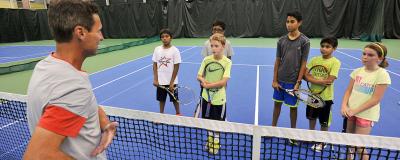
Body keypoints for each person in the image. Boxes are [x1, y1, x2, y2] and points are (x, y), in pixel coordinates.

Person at [24, 0, 117, 159]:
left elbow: (83, 103)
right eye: (99, 31)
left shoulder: (46, 67)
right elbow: (38, 155)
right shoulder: (72, 87)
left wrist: (105, 123)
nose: (101, 37)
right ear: (81, 32)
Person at [341, 43, 390, 160]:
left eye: (370, 55)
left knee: (359, 146)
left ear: (380, 58)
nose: (365, 57)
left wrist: (355, 111)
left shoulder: (382, 74)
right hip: (350, 111)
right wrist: (344, 106)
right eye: (364, 54)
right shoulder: (357, 71)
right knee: (349, 141)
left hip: (366, 115)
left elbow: (375, 99)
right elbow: (348, 91)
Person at [271, 11, 310, 145]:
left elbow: (303, 63)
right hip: (280, 80)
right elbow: (277, 61)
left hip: (293, 82)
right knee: (277, 105)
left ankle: (293, 134)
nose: (289, 24)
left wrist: (298, 82)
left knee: (293, 108)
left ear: (299, 23)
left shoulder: (305, 41)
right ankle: (272, 130)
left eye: (292, 21)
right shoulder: (281, 40)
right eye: (287, 21)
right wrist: (274, 80)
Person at [304, 37, 341, 151]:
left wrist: (312, 79)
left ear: (334, 48)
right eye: (322, 46)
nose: (324, 49)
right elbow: (305, 75)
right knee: (311, 117)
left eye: (327, 47)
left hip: (326, 98)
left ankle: (322, 140)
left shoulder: (335, 62)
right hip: (312, 95)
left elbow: (329, 80)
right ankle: (311, 136)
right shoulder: (314, 60)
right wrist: (320, 81)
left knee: (324, 121)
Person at [197, 33, 232, 154]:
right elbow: (199, 75)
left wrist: (208, 85)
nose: (213, 49)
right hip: (206, 97)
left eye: (216, 46)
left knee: (217, 121)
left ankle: (216, 142)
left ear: (223, 46)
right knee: (207, 120)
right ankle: (210, 138)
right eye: (212, 46)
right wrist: (203, 80)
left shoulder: (227, 62)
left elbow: (223, 82)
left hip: (219, 98)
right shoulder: (206, 60)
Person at [152, 28, 182, 115]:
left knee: (175, 99)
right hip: (160, 82)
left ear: (171, 38)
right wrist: (155, 79)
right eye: (162, 37)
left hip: (172, 82)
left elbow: (176, 67)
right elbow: (155, 65)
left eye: (166, 36)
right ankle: (161, 115)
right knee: (161, 99)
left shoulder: (175, 50)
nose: (164, 38)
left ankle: (178, 113)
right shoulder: (157, 49)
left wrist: (172, 83)